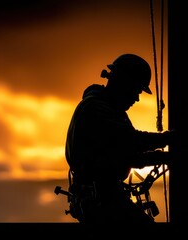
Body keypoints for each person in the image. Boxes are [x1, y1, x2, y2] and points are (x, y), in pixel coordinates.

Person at [64, 53, 174, 224]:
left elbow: (128, 155)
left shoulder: (107, 110)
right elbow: (130, 142)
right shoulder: (96, 109)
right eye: (136, 90)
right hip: (102, 202)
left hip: (101, 199)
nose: (137, 98)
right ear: (123, 83)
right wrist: (169, 140)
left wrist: (166, 156)